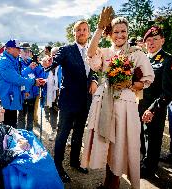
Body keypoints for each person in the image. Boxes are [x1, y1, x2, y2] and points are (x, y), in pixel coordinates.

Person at [80, 7, 154, 189]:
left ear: (128, 33)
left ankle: (113, 184)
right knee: (106, 147)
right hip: (103, 102)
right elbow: (90, 54)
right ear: (110, 34)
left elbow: (146, 80)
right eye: (116, 32)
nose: (120, 35)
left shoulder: (137, 53)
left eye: (123, 31)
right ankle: (108, 183)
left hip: (124, 106)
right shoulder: (104, 52)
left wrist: (128, 83)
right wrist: (98, 28)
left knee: (119, 145)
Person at [0, 94, 64, 189]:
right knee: (32, 171)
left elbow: (7, 128)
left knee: (38, 160)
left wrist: (19, 138)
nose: (4, 111)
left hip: (0, 158)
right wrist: (18, 149)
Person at [46, 19, 98, 183]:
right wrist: (47, 62)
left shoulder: (93, 51)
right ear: (74, 33)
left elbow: (95, 70)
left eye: (84, 30)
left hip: (85, 101)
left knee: (79, 133)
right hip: (68, 101)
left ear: (88, 32)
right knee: (63, 134)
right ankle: (58, 166)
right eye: (78, 30)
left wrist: (94, 80)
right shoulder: (66, 50)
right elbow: (53, 63)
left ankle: (75, 162)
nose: (81, 32)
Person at [139, 26, 172, 178]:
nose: (151, 43)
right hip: (140, 105)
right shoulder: (144, 58)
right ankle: (145, 161)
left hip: (154, 108)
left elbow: (169, 91)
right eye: (148, 40)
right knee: (143, 137)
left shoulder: (169, 60)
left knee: (152, 139)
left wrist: (152, 109)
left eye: (155, 39)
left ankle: (149, 169)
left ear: (162, 40)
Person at [0, 39, 44, 128]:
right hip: (3, 101)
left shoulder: (12, 60)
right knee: (6, 129)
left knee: (11, 127)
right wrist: (33, 82)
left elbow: (19, 75)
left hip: (10, 100)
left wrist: (29, 70)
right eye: (17, 49)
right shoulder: (3, 61)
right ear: (9, 49)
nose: (19, 51)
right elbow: (15, 79)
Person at [18, 42, 44, 131]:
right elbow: (19, 76)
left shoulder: (32, 62)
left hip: (33, 93)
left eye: (28, 51)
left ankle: (30, 133)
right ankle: (20, 135)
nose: (27, 53)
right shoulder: (18, 63)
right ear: (20, 52)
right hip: (23, 93)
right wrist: (29, 68)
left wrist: (40, 66)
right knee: (21, 116)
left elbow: (41, 74)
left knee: (30, 116)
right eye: (24, 51)